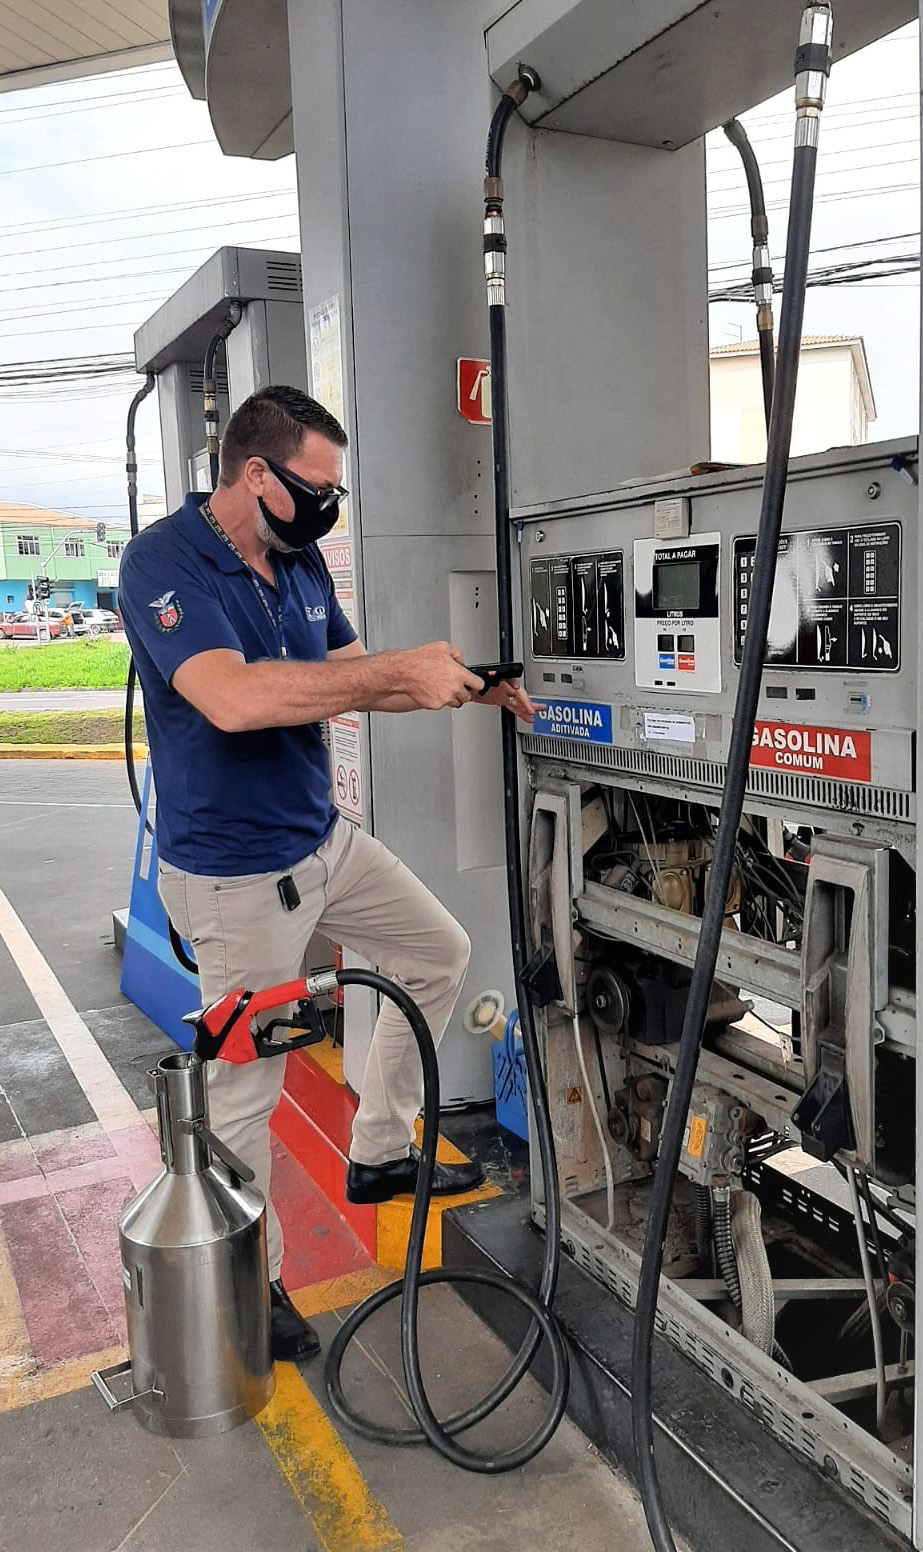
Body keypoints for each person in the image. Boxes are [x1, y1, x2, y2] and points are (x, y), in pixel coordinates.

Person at [118, 384, 535, 1363]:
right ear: (254, 474)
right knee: (244, 1086)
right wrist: (392, 673)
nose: (327, 509)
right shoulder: (163, 562)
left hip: (320, 839)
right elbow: (232, 699)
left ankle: (379, 1149)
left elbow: (353, 670)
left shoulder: (298, 561)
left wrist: (466, 684)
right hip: (233, 876)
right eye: (316, 489)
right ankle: (246, 1280)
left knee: (436, 950)